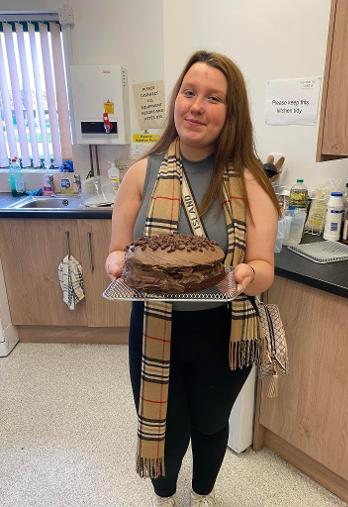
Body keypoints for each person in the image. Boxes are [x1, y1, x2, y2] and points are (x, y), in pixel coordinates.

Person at [106, 50, 280, 507]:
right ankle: (164, 495)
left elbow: (264, 270)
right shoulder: (142, 171)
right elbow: (119, 249)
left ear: (232, 111)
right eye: (188, 92)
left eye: (213, 97)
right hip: (154, 326)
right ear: (176, 99)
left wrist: (247, 274)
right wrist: (115, 262)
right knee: (164, 427)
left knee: (208, 424)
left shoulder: (252, 183)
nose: (196, 106)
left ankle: (203, 494)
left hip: (223, 331)